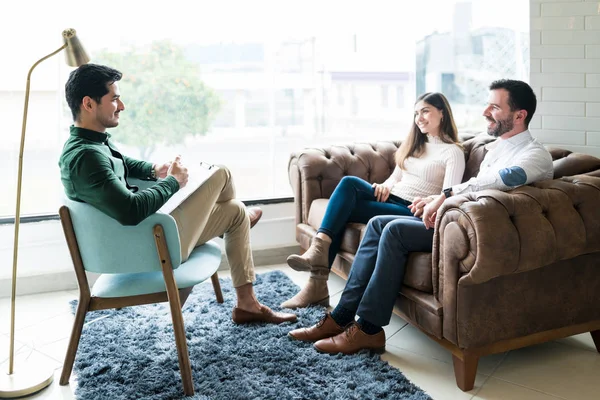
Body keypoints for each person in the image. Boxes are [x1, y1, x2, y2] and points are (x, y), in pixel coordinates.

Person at [288, 79, 554, 354]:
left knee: (393, 230)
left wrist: (444, 196)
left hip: (476, 233)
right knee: (379, 224)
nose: (485, 112)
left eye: (494, 107)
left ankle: (368, 328)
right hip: (456, 220)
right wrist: (436, 199)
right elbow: (473, 190)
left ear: (519, 115)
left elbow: (500, 181)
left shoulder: (534, 156)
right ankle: (342, 317)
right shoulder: (496, 149)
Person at [59, 63, 296, 325]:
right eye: (114, 99)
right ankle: (225, 228)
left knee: (235, 212)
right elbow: (131, 211)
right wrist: (173, 182)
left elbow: (121, 162)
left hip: (145, 239)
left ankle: (247, 305)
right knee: (221, 173)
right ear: (88, 104)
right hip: (148, 247)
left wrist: (153, 170)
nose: (122, 106)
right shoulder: (86, 157)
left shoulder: (90, 143)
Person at [282, 92, 466, 309]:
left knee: (342, 208)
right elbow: (396, 178)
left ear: (442, 113)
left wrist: (429, 201)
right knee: (349, 186)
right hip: (392, 198)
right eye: (416, 113)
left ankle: (316, 282)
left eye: (425, 111)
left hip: (411, 210)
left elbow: (448, 193)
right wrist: (384, 186)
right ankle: (318, 262)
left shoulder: (453, 152)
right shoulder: (414, 145)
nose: (419, 118)